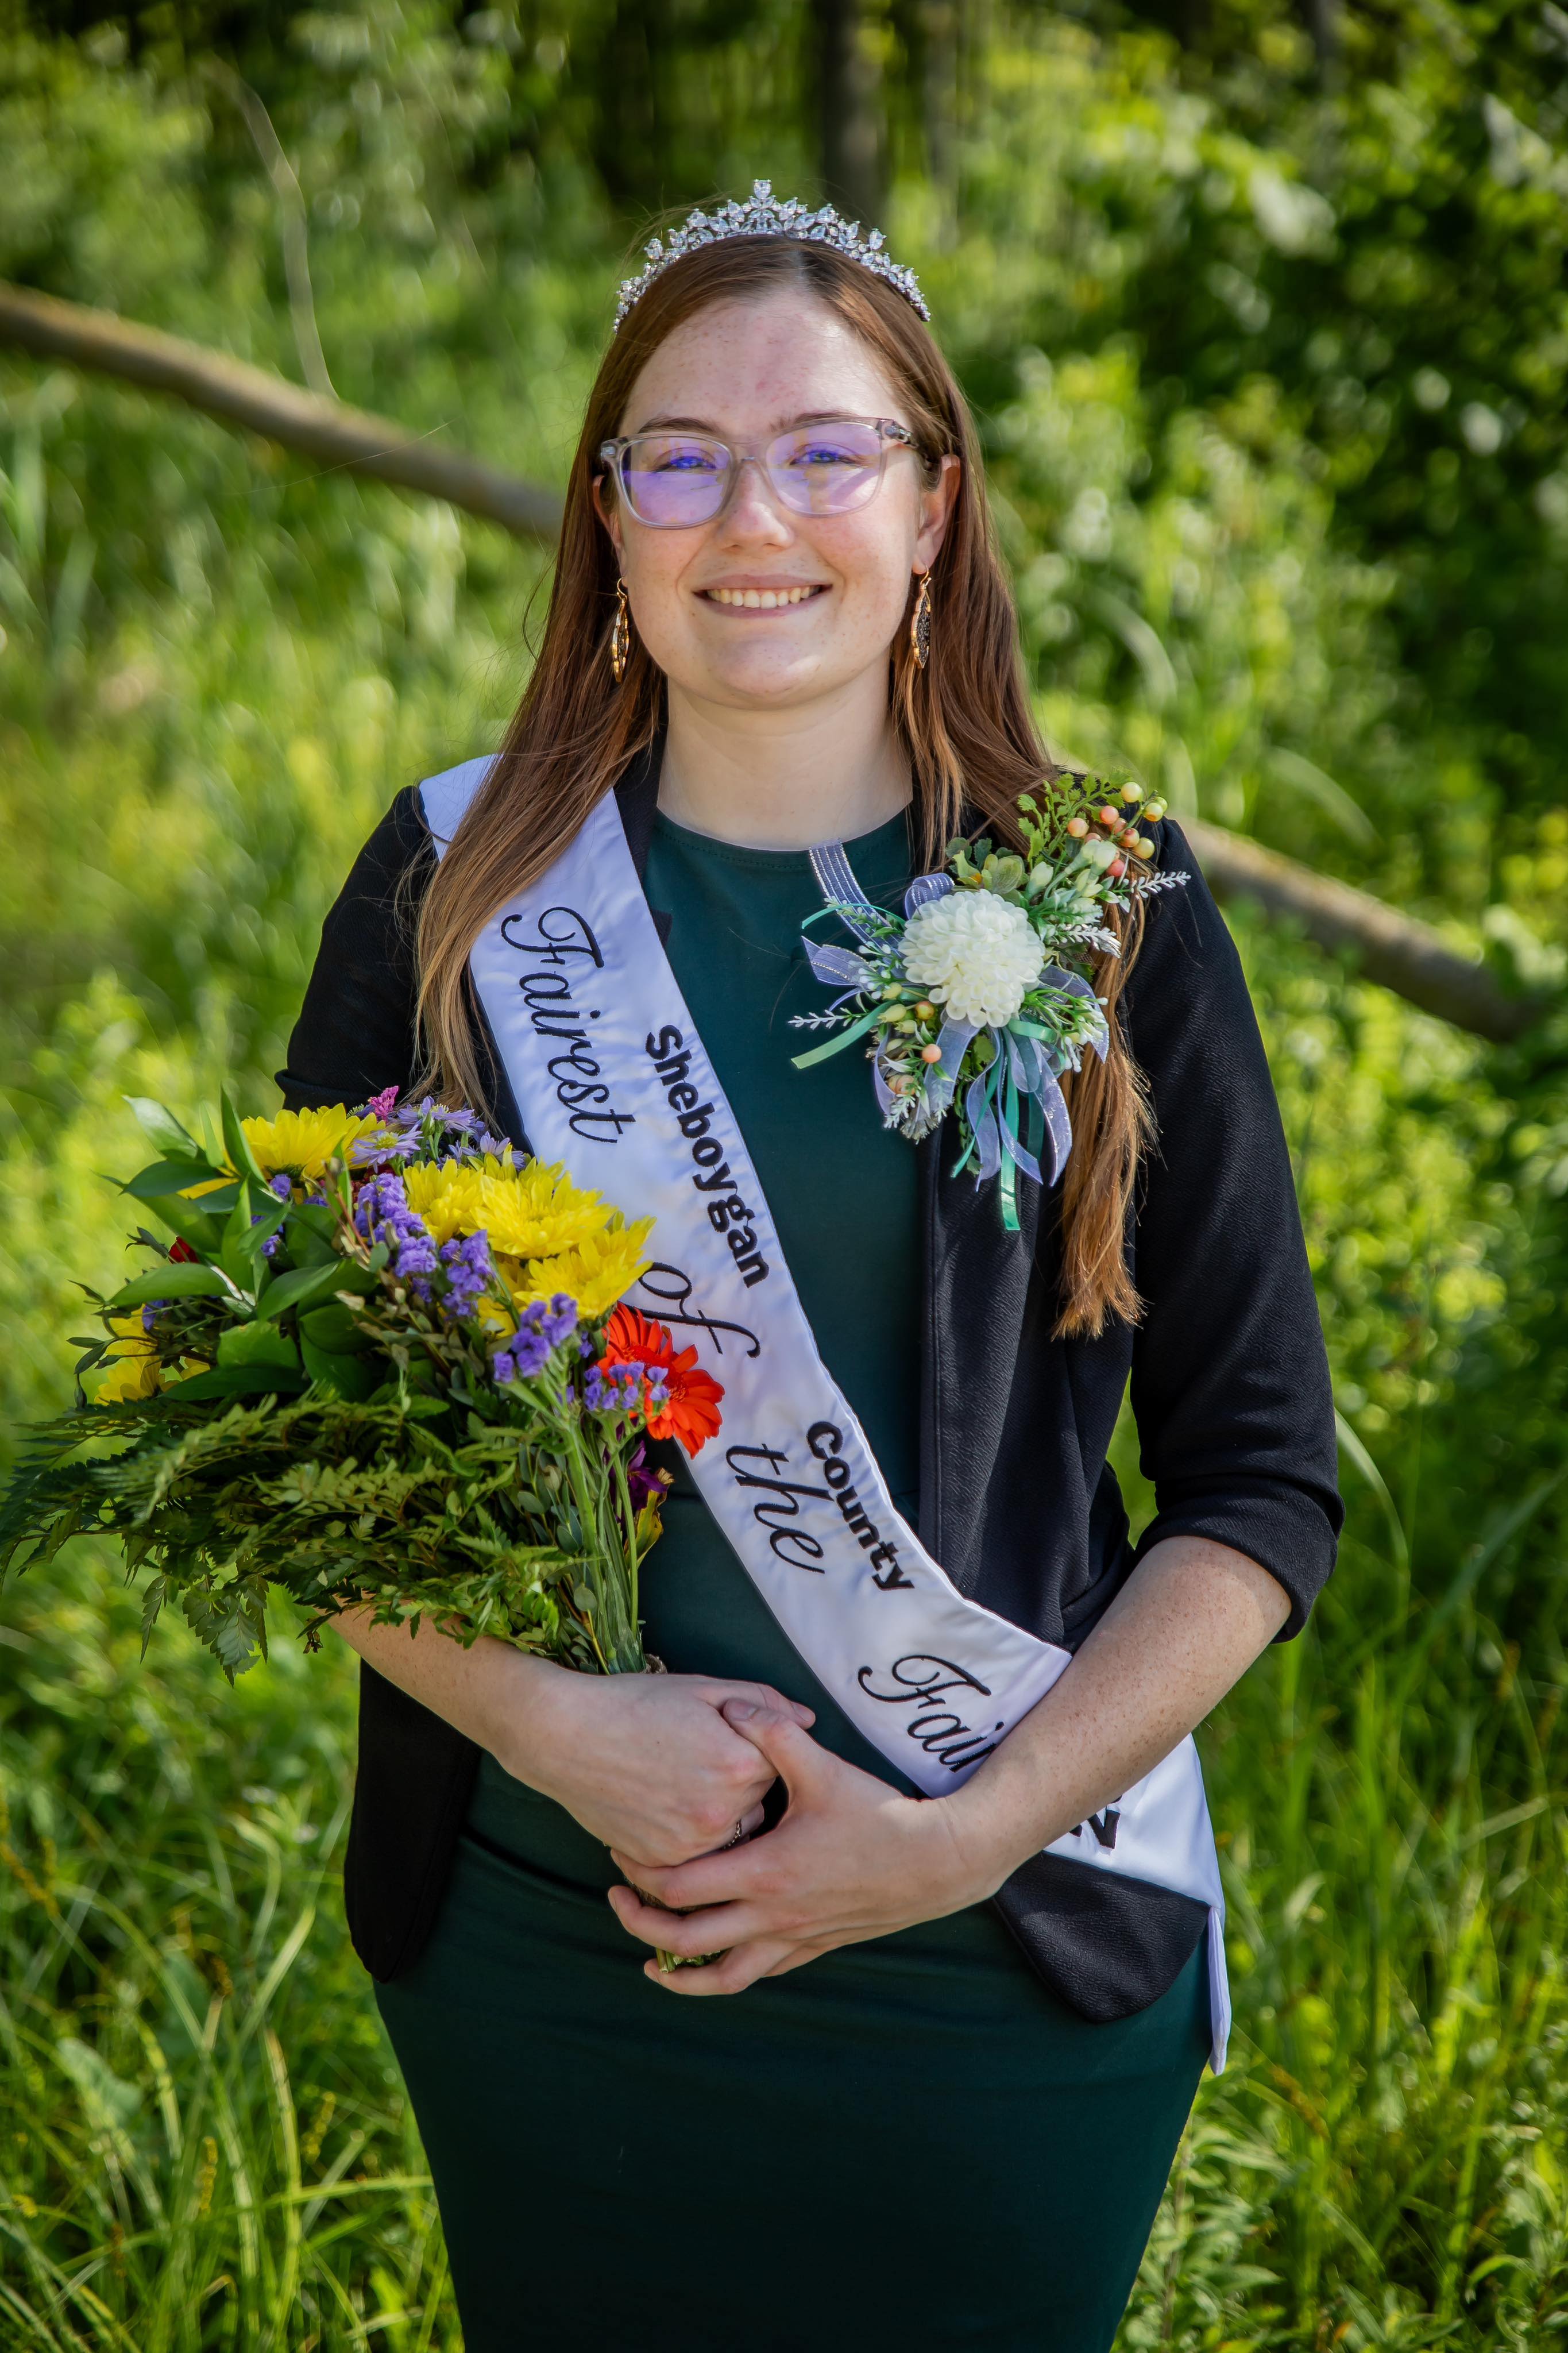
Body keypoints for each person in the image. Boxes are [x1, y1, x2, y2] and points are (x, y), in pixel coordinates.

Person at [279, 184, 1341, 2352]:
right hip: (558, 1932)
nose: (747, 514)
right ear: (607, 508)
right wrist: (557, 1728)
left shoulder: (1114, 910)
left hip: (1002, 1934)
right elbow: (256, 1426)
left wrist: (958, 1842)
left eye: (826, 449)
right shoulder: (459, 885)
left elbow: (1258, 1479)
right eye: (677, 451)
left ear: (935, 501)